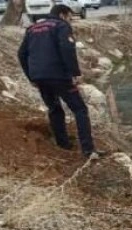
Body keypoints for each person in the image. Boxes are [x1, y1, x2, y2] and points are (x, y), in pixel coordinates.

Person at [18, 5, 100, 158]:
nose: (70, 20)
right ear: (62, 15)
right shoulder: (61, 25)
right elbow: (67, 49)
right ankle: (88, 150)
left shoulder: (32, 28)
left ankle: (63, 145)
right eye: (69, 17)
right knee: (80, 110)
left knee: (54, 108)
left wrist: (31, 76)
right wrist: (75, 73)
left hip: (40, 77)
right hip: (59, 76)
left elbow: (21, 54)